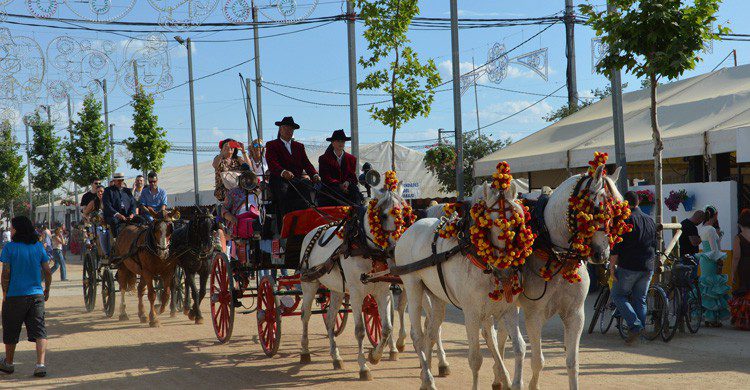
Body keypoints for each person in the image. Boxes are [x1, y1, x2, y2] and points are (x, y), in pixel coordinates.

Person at [0, 216, 51, 377]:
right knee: (40, 330)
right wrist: (47, 289)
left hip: (15, 296)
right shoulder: (38, 247)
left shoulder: (10, 248)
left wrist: (5, 292)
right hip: (36, 295)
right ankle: (40, 364)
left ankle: (8, 363)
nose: (11, 230)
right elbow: (47, 271)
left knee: (11, 330)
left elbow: (5, 272)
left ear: (18, 229)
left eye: (13, 227)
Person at [610, 191, 657, 345]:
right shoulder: (650, 220)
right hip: (648, 265)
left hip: (629, 266)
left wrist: (611, 269)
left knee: (618, 295)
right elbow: (654, 244)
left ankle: (635, 325)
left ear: (626, 203)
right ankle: (640, 333)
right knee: (640, 299)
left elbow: (616, 247)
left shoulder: (626, 220)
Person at [265, 116, 320, 223]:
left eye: (291, 129)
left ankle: (306, 220)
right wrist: (283, 172)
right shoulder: (272, 145)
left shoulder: (299, 146)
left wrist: (314, 174)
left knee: (306, 186)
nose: (288, 131)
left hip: (296, 180)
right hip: (279, 180)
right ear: (280, 129)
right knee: (283, 192)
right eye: (286, 128)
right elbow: (272, 163)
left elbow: (306, 163)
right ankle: (285, 223)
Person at [697, 205, 731, 327]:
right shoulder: (711, 229)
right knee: (713, 287)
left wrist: (718, 236)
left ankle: (708, 316)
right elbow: (714, 249)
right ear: (715, 215)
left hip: (704, 259)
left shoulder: (702, 228)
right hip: (711, 259)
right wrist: (720, 260)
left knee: (707, 287)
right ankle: (712, 319)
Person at [318, 129, 362, 206]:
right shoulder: (324, 158)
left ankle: (358, 212)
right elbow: (325, 177)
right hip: (331, 189)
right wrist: (339, 185)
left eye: (342, 141)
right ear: (332, 143)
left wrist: (347, 182)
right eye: (338, 141)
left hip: (348, 188)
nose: (340, 143)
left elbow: (352, 176)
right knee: (334, 192)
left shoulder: (351, 159)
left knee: (355, 191)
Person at [213, 138, 251, 202]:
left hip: (237, 190)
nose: (229, 147)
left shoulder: (238, 159)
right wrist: (222, 152)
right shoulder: (219, 158)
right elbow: (215, 165)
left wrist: (243, 151)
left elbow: (249, 167)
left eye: (231, 146)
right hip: (223, 192)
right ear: (222, 149)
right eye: (226, 146)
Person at [730, 209, 750, 330]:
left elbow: (736, 257)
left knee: (745, 290)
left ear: (740, 223)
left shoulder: (738, 238)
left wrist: (732, 273)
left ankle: (745, 320)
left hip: (744, 267)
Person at [102, 173, 136, 239]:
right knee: (114, 221)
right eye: (118, 180)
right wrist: (118, 215)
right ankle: (117, 240)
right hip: (113, 215)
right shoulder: (108, 190)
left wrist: (132, 214)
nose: (120, 182)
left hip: (127, 214)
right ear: (114, 181)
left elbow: (133, 204)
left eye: (122, 180)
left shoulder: (127, 191)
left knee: (141, 220)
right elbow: (107, 205)